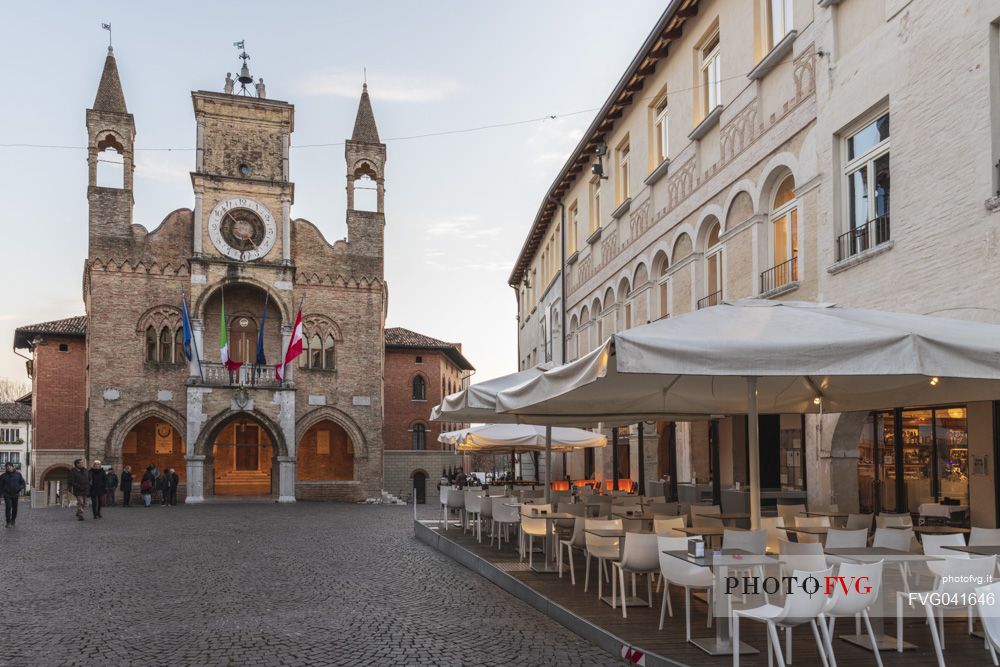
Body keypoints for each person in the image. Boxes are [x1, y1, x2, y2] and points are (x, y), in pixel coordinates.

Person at [0, 462, 26, 527]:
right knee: (8, 507)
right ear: (6, 468)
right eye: (7, 467)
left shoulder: (18, 474)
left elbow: (22, 483)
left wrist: (20, 488)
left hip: (15, 494)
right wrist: (0, 496)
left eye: (10, 467)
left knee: (15, 508)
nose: (8, 468)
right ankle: (8, 522)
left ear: (12, 467)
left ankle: (13, 520)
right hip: (7, 495)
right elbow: (0, 487)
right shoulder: (3, 476)